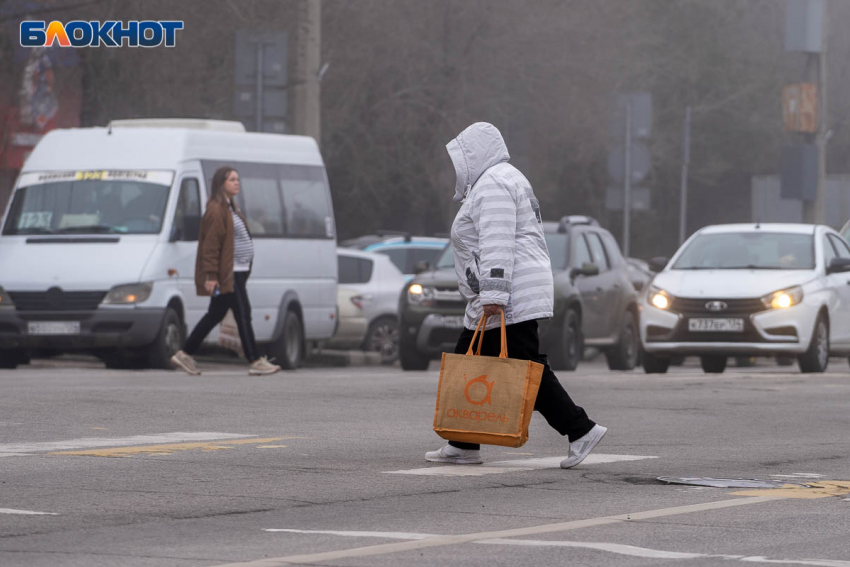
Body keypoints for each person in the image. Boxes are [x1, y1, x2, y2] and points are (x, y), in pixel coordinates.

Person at [425, 122, 607, 468]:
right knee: (471, 359)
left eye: (461, 158)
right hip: (510, 292)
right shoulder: (505, 178)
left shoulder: (493, 184)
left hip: (508, 295)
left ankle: (581, 430)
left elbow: (496, 239)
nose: (457, 167)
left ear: (474, 155)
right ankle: (462, 442)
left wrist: (493, 293)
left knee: (525, 373)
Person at [171, 166, 281, 376]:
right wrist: (211, 276)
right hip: (228, 275)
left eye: (237, 179)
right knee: (243, 315)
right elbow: (210, 246)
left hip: (236, 273)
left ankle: (185, 353)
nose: (237, 183)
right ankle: (255, 360)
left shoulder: (230, 207)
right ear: (221, 184)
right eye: (232, 179)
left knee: (214, 315)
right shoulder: (216, 210)